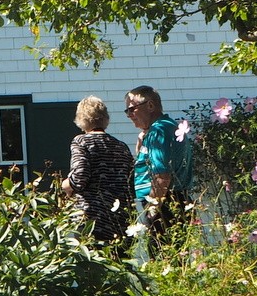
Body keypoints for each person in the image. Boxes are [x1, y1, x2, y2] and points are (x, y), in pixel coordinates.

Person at [124, 85, 192, 249]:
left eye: (132, 109)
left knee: (163, 257)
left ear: (150, 105)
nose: (129, 115)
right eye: (127, 111)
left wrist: (152, 211)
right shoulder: (163, 128)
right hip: (171, 201)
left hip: (165, 204)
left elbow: (162, 176)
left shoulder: (159, 131)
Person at [62, 97, 136, 245]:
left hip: (91, 219)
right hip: (120, 218)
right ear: (105, 118)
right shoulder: (121, 146)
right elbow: (131, 182)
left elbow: (80, 176)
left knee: (91, 259)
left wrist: (65, 185)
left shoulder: (81, 141)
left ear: (81, 119)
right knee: (119, 257)